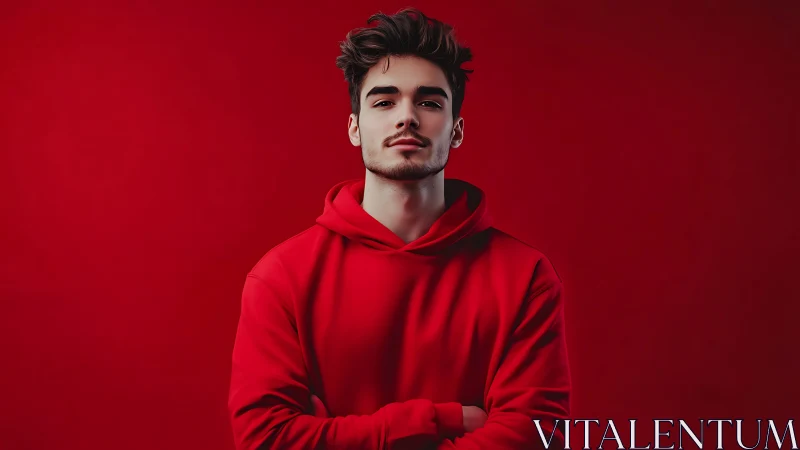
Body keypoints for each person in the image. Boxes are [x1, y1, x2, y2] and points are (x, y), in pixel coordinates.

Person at [228, 7, 571, 449]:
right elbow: (267, 439)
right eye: (384, 101)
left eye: (429, 102)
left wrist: (333, 433)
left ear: (457, 130)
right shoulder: (282, 278)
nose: (406, 116)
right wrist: (438, 420)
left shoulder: (526, 278)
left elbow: (537, 436)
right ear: (354, 127)